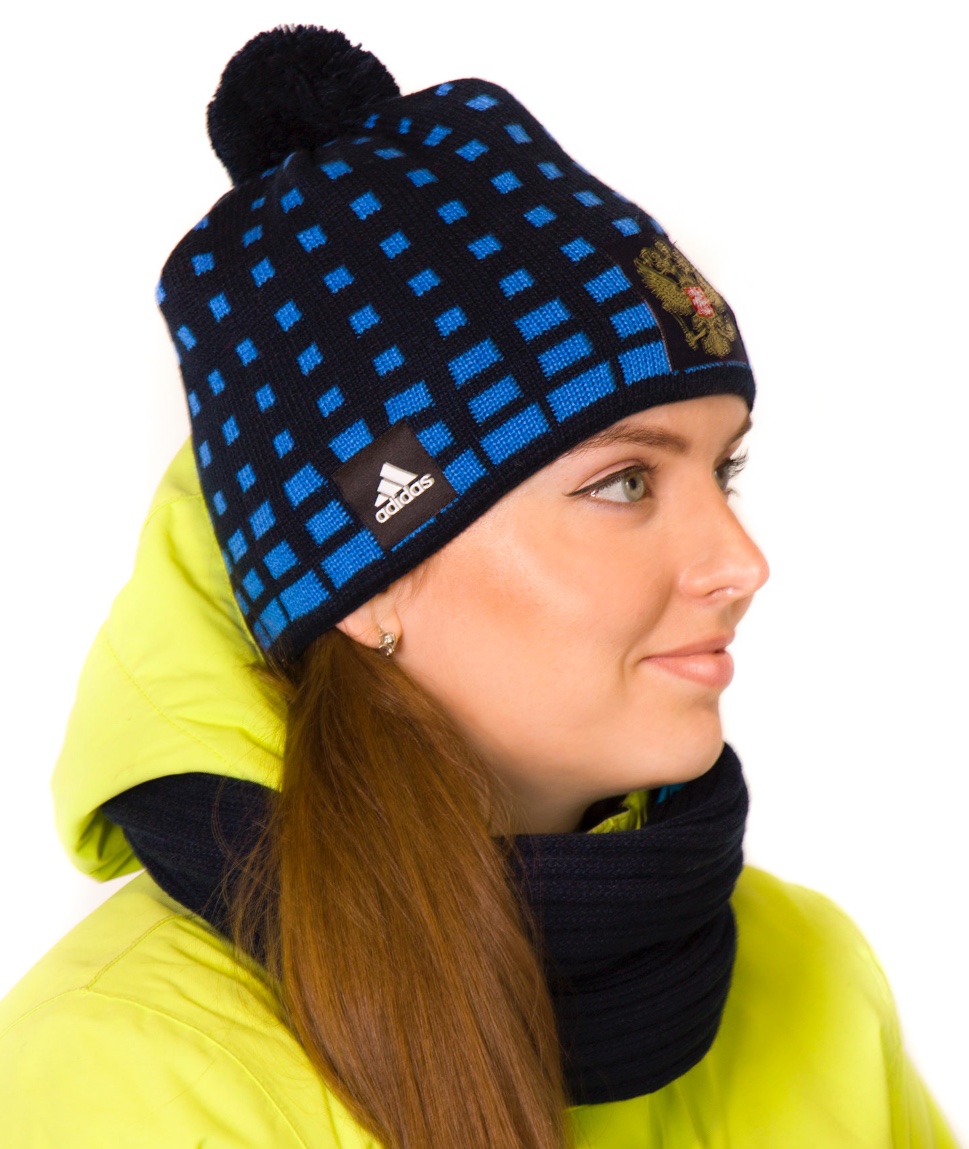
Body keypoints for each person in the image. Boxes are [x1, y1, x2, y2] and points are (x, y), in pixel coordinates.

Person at [0, 24, 957, 1149]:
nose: (741, 563)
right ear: (367, 580)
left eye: (724, 469)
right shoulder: (121, 1078)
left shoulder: (809, 976)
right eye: (623, 482)